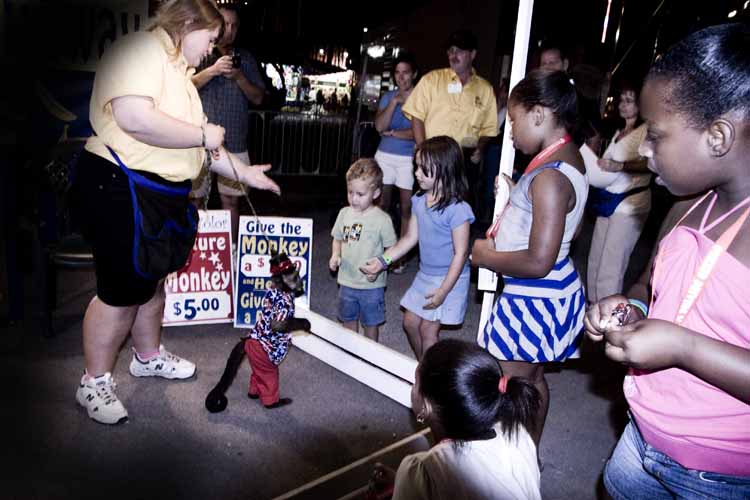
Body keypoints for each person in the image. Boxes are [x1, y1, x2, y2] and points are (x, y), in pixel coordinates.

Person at [71, 0, 280, 425]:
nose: (212, 48)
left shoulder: (181, 76)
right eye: (210, 37)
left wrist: (247, 174)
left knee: (152, 279)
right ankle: (92, 380)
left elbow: (201, 147)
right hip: (119, 182)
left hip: (161, 190)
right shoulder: (141, 50)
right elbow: (134, 118)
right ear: (188, 25)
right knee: (119, 292)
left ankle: (146, 356)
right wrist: (203, 133)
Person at [584, 23, 750, 499]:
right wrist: (630, 307)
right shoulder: (687, 203)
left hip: (717, 477)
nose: (645, 151)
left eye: (655, 136)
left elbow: (685, 339)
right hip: (641, 439)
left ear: (718, 137)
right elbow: (648, 284)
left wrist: (683, 348)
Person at [470, 70, 588, 450]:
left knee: (503, 384)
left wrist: (487, 255)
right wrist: (515, 192)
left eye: (515, 120)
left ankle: (504, 466)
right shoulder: (566, 159)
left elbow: (539, 260)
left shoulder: (551, 177)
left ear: (538, 114)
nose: (511, 131)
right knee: (532, 378)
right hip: (552, 290)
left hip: (535, 295)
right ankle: (528, 454)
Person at [369, 339, 542, 500]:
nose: (413, 388)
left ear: (426, 407)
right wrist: (403, 484)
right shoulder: (518, 434)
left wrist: (408, 481)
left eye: (415, 382)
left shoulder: (424, 471)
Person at [361, 136, 474, 360]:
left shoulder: (458, 209)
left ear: (444, 171)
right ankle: (426, 364)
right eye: (416, 167)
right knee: (410, 323)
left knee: (428, 330)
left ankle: (427, 379)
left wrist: (443, 291)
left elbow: (461, 254)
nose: (416, 173)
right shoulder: (419, 200)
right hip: (426, 273)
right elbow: (410, 238)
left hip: (449, 277)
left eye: (424, 169)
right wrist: (383, 261)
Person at [190, 4, 266, 245]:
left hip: (235, 141)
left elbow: (258, 98)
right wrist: (212, 71)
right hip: (197, 141)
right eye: (225, 24)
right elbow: (183, 86)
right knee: (195, 200)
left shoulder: (246, 59)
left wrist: (239, 77)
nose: (229, 30)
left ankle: (230, 251)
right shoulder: (200, 52)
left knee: (231, 200)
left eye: (234, 25)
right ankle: (194, 253)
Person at [402, 29, 497, 215]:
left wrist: (480, 147)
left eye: (459, 50)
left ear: (473, 54)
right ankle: (419, 243)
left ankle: (455, 245)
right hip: (432, 159)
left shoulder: (485, 89)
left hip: (463, 162)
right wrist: (423, 151)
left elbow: (489, 129)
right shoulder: (432, 80)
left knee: (457, 212)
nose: (453, 55)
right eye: (450, 51)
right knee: (423, 211)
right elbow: (416, 116)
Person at [585, 80, 651, 304]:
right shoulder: (619, 132)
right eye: (622, 100)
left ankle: (605, 319)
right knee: (595, 261)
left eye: (629, 101)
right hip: (608, 200)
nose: (623, 105)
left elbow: (650, 163)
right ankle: (592, 310)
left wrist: (620, 166)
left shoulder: (646, 132)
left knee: (611, 266)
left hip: (631, 203)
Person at [330, 159, 397, 342]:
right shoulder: (344, 214)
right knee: (348, 321)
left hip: (371, 285)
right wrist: (335, 254)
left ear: (375, 193)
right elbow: (337, 238)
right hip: (347, 281)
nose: (354, 198)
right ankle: (351, 354)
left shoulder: (382, 220)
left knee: (371, 324)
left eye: (360, 194)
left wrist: (382, 266)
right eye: (350, 192)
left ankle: (371, 357)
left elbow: (393, 249)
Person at [374, 52, 419, 274]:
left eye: (406, 73)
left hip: (408, 159)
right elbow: (379, 127)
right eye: (397, 73)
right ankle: (377, 249)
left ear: (414, 74)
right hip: (384, 155)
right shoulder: (388, 96)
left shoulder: (421, 97)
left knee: (406, 208)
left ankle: (400, 255)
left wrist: (396, 133)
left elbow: (418, 133)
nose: (401, 78)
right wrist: (394, 102)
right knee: (381, 205)